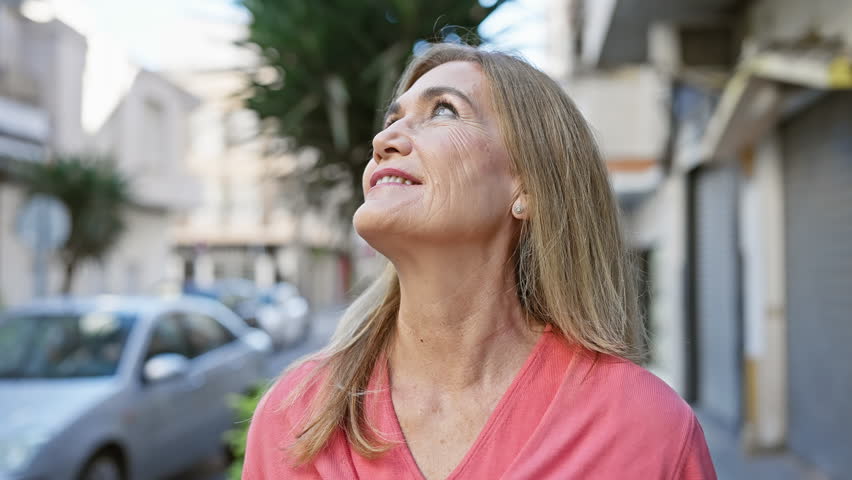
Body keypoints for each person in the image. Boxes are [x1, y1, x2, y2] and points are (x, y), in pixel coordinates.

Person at [243, 43, 716, 480]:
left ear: (527, 186)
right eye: (392, 119)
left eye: (443, 110)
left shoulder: (647, 430)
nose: (385, 139)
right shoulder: (294, 419)